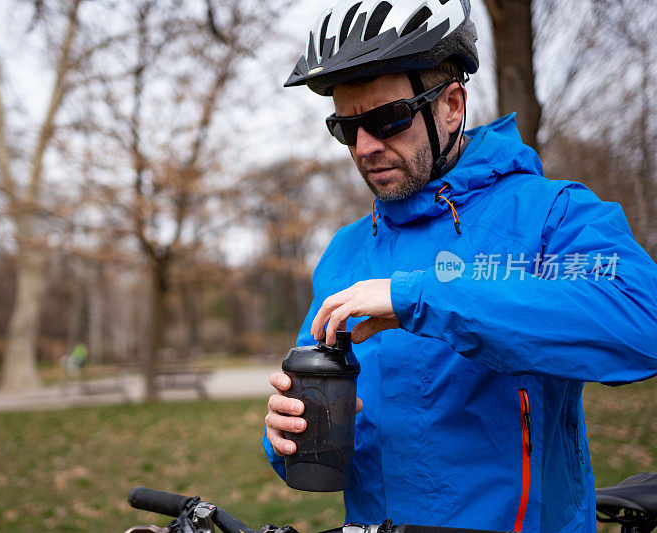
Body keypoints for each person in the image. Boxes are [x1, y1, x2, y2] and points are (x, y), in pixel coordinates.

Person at [261, 1, 657, 532]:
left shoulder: (550, 213)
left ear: (451, 105)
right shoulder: (345, 251)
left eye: (386, 119)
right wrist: (288, 434)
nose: (364, 147)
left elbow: (641, 324)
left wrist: (421, 299)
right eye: (345, 127)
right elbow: (329, 424)